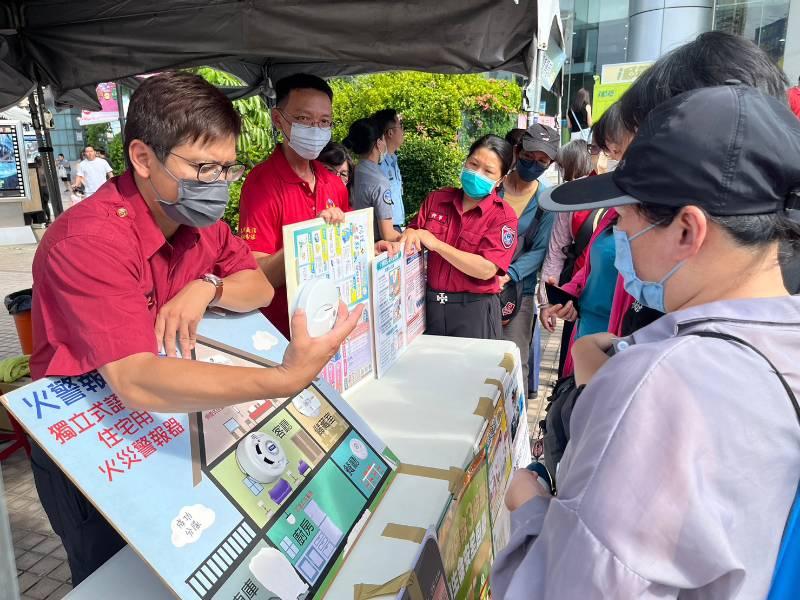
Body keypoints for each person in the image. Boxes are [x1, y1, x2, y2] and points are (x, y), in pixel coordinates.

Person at [28, 71, 362, 585]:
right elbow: (136, 379)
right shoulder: (89, 240)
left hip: (169, 424)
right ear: (142, 158)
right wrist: (281, 380)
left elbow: (257, 286)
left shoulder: (196, 223)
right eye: (204, 167)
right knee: (119, 583)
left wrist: (208, 286)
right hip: (98, 448)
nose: (218, 185)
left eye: (227, 169)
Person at [495, 83, 800, 599]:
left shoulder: (663, 383)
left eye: (625, 218)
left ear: (687, 231)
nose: (617, 235)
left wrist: (530, 510)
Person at [238, 73, 350, 338]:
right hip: (282, 334)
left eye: (324, 122)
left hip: (330, 325)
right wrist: (309, 237)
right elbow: (258, 274)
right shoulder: (261, 185)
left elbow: (346, 253)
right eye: (303, 119)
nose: (315, 128)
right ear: (278, 120)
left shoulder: (333, 183)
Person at [401, 135, 518, 340]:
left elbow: (486, 269)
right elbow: (415, 234)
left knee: (475, 372)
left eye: (488, 171)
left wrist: (437, 245)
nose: (476, 173)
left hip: (474, 311)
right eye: (473, 164)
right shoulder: (437, 200)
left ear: (500, 180)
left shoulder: (503, 217)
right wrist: (409, 234)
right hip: (429, 308)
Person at [498, 124, 558, 399]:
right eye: (530, 156)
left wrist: (509, 274)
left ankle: (514, 430)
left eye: (542, 161)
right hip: (477, 288)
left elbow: (540, 250)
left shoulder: (546, 201)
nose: (534, 164)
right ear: (518, 151)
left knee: (514, 360)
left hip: (516, 293)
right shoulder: (493, 186)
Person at [538, 138, 594, 376]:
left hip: (578, 295)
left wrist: (545, 302)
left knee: (575, 365)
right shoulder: (621, 195)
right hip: (610, 295)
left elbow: (556, 253)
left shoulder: (568, 198)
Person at [343, 118, 401, 242]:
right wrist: (411, 235)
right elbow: (388, 234)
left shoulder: (352, 171)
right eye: (384, 139)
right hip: (374, 246)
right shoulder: (379, 180)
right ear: (378, 143)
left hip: (353, 241)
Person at [372, 109, 406, 231]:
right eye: (400, 126)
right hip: (386, 230)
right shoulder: (378, 165)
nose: (403, 131)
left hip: (396, 226)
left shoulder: (393, 162)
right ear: (390, 132)